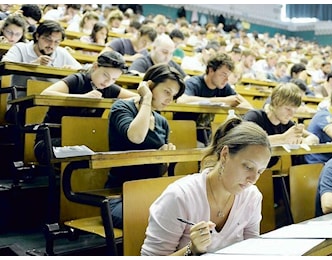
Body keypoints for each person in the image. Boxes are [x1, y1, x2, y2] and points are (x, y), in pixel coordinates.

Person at [141, 118, 272, 255]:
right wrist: (192, 250)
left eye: (259, 171)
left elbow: (251, 249)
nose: (253, 179)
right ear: (225, 154)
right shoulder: (179, 196)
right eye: (248, 167)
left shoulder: (252, 196)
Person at [105, 63, 186, 229]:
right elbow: (136, 137)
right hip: (120, 195)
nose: (170, 100)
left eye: (174, 95)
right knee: (162, 221)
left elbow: (157, 173)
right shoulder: (121, 107)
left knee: (185, 217)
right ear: (149, 85)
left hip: (150, 194)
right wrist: (146, 98)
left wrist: (164, 159)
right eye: (166, 92)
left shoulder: (162, 122)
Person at [33, 51, 138, 163]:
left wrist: (115, 101)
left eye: (114, 79)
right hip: (50, 142)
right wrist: (82, 97)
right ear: (95, 66)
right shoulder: (77, 80)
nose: (108, 82)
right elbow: (45, 94)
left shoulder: (109, 88)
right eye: (105, 75)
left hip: (82, 140)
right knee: (92, 146)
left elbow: (137, 97)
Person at [174, 52, 253, 147]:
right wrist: (223, 101)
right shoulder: (194, 83)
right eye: (223, 75)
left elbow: (248, 106)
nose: (226, 80)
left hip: (206, 136)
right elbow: (181, 101)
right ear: (211, 70)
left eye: (228, 76)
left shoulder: (224, 87)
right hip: (183, 133)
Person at [243, 82, 319, 168]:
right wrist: (283, 138)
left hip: (264, 169)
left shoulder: (287, 124)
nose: (291, 115)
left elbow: (314, 138)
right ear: (275, 102)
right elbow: (245, 141)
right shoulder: (254, 116)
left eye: (294, 111)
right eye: (288, 109)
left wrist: (304, 142)